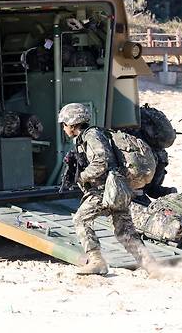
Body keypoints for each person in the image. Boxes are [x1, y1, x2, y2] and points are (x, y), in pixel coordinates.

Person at [58, 103, 159, 275]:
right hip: (118, 188)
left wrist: (82, 177)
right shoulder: (88, 137)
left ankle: (97, 261)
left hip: (105, 190)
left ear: (73, 123)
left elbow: (101, 161)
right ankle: (150, 264)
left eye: (65, 124)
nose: (64, 127)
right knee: (125, 230)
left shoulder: (91, 136)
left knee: (80, 219)